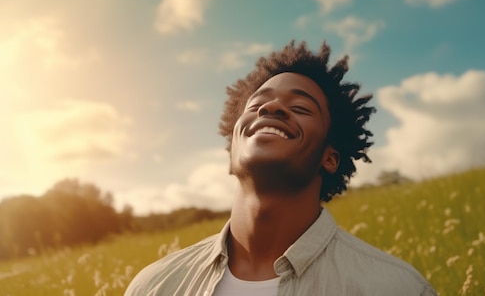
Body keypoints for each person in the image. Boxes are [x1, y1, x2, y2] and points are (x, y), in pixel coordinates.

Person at [125, 41, 437, 296]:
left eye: (301, 108)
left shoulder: (395, 288)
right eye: (257, 105)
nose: (271, 108)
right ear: (232, 147)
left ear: (330, 158)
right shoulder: (154, 286)